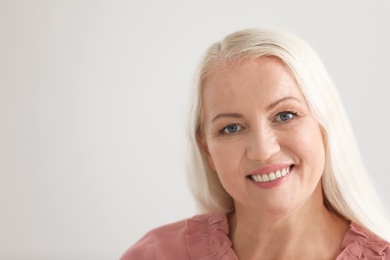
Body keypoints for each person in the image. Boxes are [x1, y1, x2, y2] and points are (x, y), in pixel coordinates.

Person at [121, 28, 390, 259]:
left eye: (285, 116)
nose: (263, 151)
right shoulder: (156, 254)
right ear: (208, 151)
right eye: (231, 128)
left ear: (325, 127)